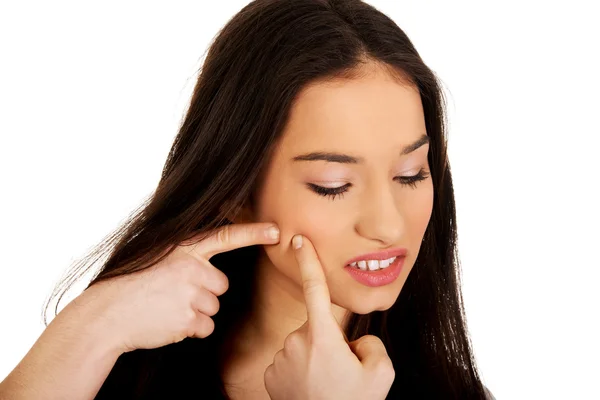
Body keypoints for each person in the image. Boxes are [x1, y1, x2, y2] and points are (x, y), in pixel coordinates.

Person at [0, 0, 496, 398]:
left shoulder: (451, 391)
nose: (388, 225)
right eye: (333, 184)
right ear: (236, 190)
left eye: (410, 174)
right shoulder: (118, 373)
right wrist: (93, 322)